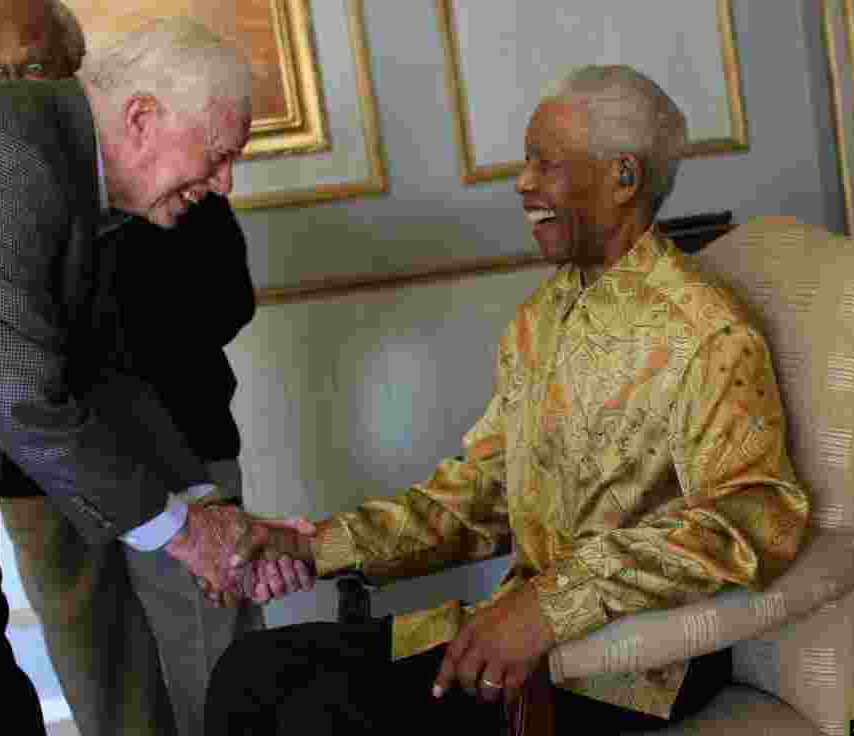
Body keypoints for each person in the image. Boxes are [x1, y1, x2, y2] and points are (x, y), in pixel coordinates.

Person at [205, 65, 811, 734]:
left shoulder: (709, 332)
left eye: (544, 163)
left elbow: (754, 517)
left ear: (623, 179)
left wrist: (551, 605)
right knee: (252, 670)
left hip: (629, 665)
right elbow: (476, 499)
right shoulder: (537, 320)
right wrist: (314, 546)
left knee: (319, 717)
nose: (523, 183)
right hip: (516, 634)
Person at [0, 15, 311, 735]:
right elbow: (27, 401)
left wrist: (210, 511)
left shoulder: (62, 163)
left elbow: (100, 371)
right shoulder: (7, 161)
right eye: (218, 156)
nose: (224, 183)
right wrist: (193, 536)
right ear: (141, 117)